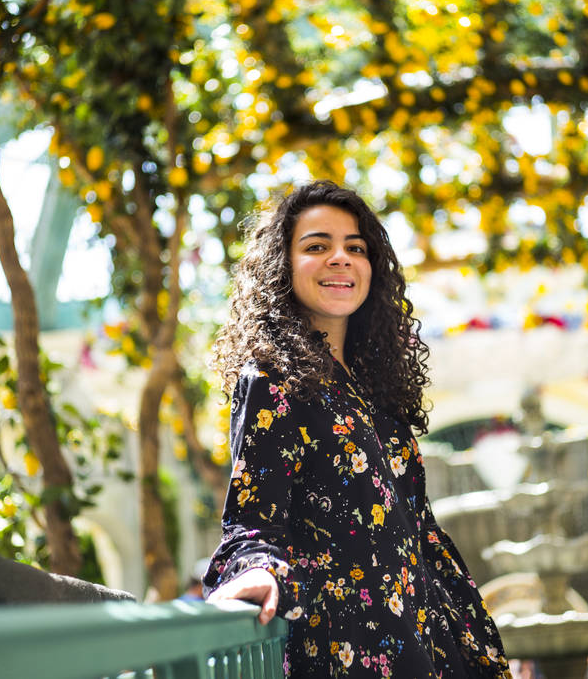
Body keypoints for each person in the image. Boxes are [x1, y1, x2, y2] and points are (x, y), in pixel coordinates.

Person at [203, 181, 511, 678]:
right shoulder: (273, 382)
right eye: (317, 246)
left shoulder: (374, 391)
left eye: (355, 248)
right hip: (348, 649)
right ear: (281, 267)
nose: (340, 258)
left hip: (425, 639)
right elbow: (253, 518)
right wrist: (255, 569)